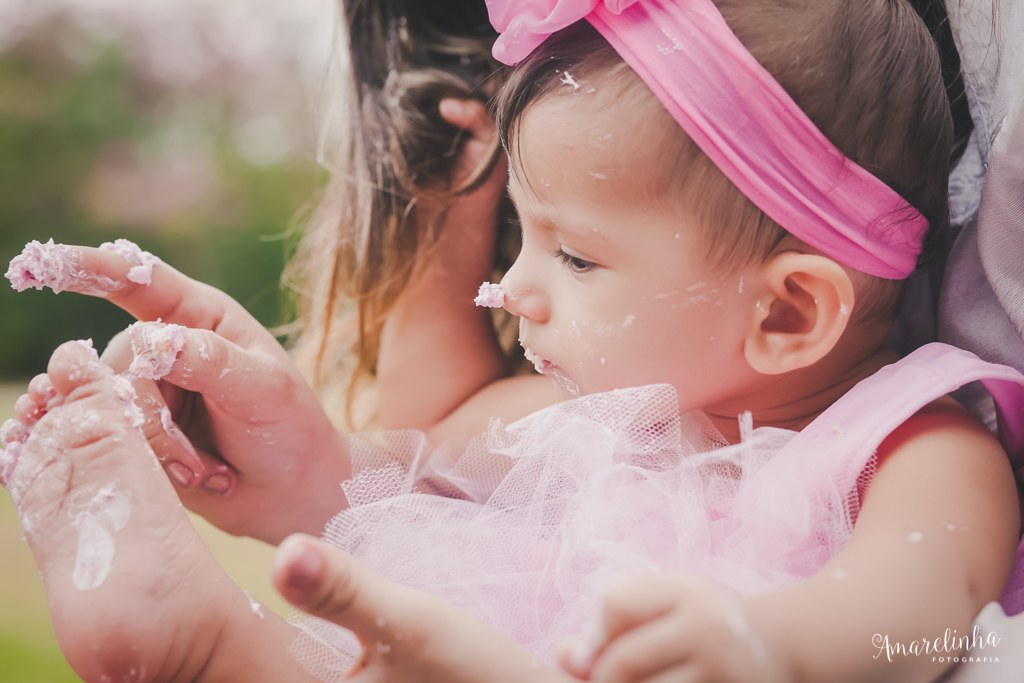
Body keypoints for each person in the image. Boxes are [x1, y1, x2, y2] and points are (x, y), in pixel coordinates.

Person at [3, 2, 1024, 683]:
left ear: (789, 312)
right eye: (521, 235)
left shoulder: (914, 446)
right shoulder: (591, 419)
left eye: (573, 256)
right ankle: (202, 637)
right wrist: (278, 438)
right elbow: (397, 470)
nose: (512, 287)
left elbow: (925, 614)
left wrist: (772, 649)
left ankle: (219, 651)